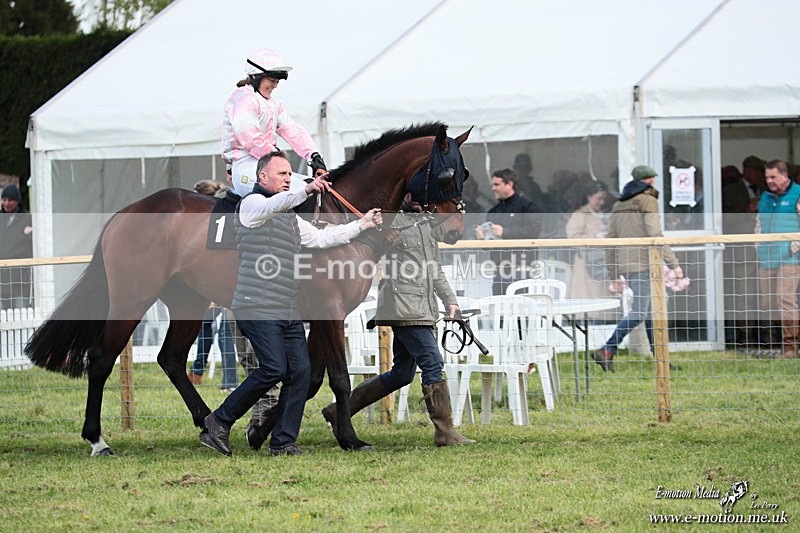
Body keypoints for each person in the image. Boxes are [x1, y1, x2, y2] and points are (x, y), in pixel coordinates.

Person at [200, 150, 382, 457]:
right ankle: (218, 421)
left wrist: (362, 225)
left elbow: (324, 239)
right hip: (255, 305)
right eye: (282, 174)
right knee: (273, 369)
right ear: (262, 177)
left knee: (300, 373)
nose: (288, 179)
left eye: (290, 174)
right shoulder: (251, 205)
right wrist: (306, 189)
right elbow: (273, 204)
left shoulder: (291, 218)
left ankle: (283, 442)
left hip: (286, 308)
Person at [321, 195, 475, 447]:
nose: (418, 199)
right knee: (433, 364)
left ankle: (339, 410)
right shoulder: (389, 220)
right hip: (403, 306)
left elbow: (434, 268)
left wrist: (450, 301)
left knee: (402, 374)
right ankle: (445, 431)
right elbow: (370, 251)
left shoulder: (426, 222)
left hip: (422, 308)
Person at [592, 165, 683, 371]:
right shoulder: (648, 200)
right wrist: (673, 264)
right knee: (640, 313)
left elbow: (611, 241)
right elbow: (655, 234)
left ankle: (662, 361)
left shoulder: (618, 205)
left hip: (628, 264)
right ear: (649, 180)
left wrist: (614, 273)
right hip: (644, 263)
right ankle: (607, 350)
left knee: (650, 314)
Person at [222, 48, 327, 198]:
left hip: (268, 166)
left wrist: (314, 155)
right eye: (272, 81)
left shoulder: (272, 103)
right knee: (305, 190)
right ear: (255, 76)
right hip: (247, 167)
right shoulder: (243, 100)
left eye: (277, 82)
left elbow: (292, 130)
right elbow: (252, 142)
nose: (275, 86)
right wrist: (279, 160)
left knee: (312, 184)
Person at [186, 179, 239, 391]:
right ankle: (198, 370)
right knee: (207, 326)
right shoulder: (220, 208)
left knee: (224, 331)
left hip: (227, 280)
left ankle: (229, 381)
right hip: (218, 281)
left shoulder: (218, 211)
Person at [755, 160, 800, 359]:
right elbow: (759, 222)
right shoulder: (764, 197)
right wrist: (756, 245)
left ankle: (791, 347)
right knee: (768, 301)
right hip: (767, 256)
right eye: (767, 177)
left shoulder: (798, 194)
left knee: (786, 299)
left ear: (785, 175)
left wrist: (794, 248)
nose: (769, 181)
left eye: (773, 177)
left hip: (791, 258)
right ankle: (777, 342)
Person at [474, 168, 541, 295]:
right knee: (500, 309)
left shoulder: (527, 206)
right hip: (500, 270)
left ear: (509, 184)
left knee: (522, 310)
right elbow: (490, 245)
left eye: (497, 184)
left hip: (523, 269)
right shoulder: (493, 212)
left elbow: (533, 231)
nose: (493, 188)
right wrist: (483, 239)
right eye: (492, 185)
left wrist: (505, 232)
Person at [721, 156, 764, 346]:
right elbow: (723, 221)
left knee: (763, 295)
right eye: (758, 171)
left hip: (763, 250)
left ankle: (765, 336)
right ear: (747, 171)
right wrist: (745, 213)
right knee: (743, 294)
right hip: (741, 251)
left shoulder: (766, 190)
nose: (762, 176)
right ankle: (744, 335)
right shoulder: (731, 191)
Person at [565, 180, 612, 309]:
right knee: (588, 303)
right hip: (586, 265)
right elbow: (572, 237)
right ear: (590, 197)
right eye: (599, 198)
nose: (602, 202)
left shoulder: (604, 214)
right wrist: (594, 238)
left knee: (604, 302)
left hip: (603, 263)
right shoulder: (580, 215)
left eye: (604, 199)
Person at [0, 184, 33, 310]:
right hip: (1, 280)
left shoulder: (27, 219)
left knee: (21, 314)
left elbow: (39, 242)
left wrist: (31, 233)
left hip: (19, 279)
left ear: (18, 202)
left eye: (10, 200)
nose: (7, 203)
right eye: (4, 199)